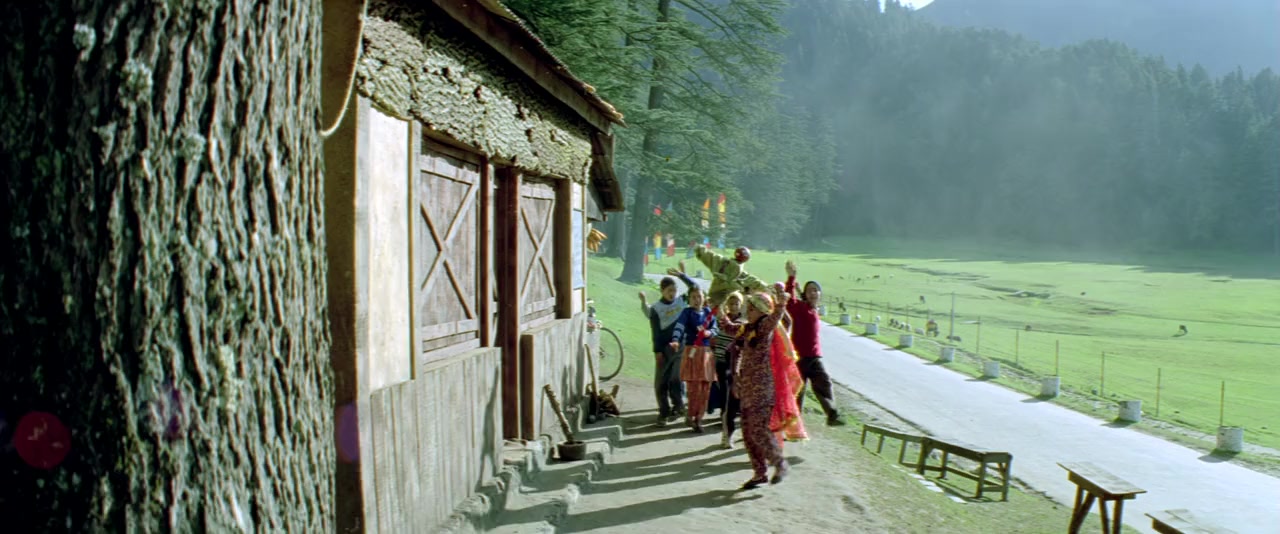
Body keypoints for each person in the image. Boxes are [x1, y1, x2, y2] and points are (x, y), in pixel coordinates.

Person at [732, 292, 791, 489]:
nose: (748, 312)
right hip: (747, 388)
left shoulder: (764, 327)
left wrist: (781, 303)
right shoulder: (747, 329)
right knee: (748, 432)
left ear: (762, 310)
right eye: (747, 308)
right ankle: (759, 473)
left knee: (758, 430)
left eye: (752, 309)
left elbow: (775, 317)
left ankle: (780, 463)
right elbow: (730, 330)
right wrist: (719, 310)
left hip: (762, 389)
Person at [784, 260, 845, 426]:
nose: (813, 293)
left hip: (814, 357)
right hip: (799, 358)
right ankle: (793, 426)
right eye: (810, 290)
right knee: (798, 391)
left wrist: (799, 289)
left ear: (820, 294)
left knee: (824, 383)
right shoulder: (799, 308)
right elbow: (789, 300)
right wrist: (791, 278)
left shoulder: (813, 310)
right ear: (805, 294)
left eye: (816, 290)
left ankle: (832, 414)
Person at [639, 268, 699, 427]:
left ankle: (678, 407)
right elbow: (656, 332)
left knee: (676, 379)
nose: (672, 294)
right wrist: (658, 351)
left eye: (674, 290)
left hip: (681, 347)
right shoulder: (656, 308)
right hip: (664, 349)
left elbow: (695, 287)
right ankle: (663, 412)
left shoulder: (681, 301)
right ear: (662, 291)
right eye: (669, 291)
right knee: (661, 382)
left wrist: (681, 275)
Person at [671, 286, 718, 433]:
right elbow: (679, 326)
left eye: (699, 296)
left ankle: (699, 418)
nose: (697, 300)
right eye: (693, 297)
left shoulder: (709, 313)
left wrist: (709, 333)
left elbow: (715, 329)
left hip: (706, 353)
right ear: (689, 299)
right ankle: (691, 415)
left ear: (704, 298)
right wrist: (675, 339)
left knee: (705, 387)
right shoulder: (687, 312)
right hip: (692, 351)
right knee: (694, 388)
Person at [713, 292, 747, 449]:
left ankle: (728, 430)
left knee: (731, 398)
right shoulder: (721, 320)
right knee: (724, 394)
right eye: (731, 303)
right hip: (721, 361)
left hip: (735, 365)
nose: (734, 306)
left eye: (736, 304)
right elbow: (717, 335)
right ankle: (726, 428)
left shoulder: (743, 323)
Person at [693, 246, 769, 308]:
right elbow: (755, 282)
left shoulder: (721, 262)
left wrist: (699, 248)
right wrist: (767, 288)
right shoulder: (741, 275)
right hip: (724, 305)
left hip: (711, 300)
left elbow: (708, 255)